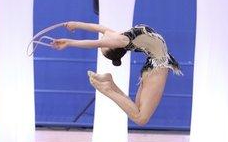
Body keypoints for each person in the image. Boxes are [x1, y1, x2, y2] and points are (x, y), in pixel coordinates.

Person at [51, 22, 183, 126]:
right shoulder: (121, 40)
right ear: (112, 46)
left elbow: (97, 29)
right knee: (140, 118)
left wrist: (75, 25)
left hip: (155, 65)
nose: (104, 39)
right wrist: (69, 42)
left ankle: (110, 84)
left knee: (137, 112)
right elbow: (95, 42)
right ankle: (108, 89)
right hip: (157, 66)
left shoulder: (119, 37)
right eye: (105, 44)